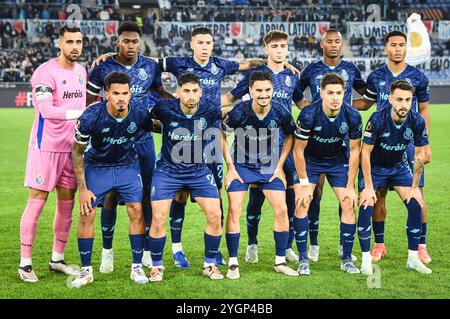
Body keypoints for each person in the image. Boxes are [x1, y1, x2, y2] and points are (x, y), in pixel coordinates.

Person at [86, 21, 173, 273]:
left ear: (140, 42)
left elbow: (160, 92)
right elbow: (90, 100)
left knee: (145, 193)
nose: (131, 45)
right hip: (112, 139)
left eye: (135, 41)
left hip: (142, 138)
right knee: (110, 196)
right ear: (118, 42)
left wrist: (178, 106)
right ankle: (107, 252)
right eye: (126, 41)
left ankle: (145, 250)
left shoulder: (149, 65)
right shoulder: (102, 66)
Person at [221, 30, 303, 264]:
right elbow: (231, 98)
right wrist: (207, 107)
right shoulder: (256, 75)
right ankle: (252, 244)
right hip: (255, 146)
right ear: (266, 48)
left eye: (283, 46)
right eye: (274, 46)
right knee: (255, 199)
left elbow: (301, 103)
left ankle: (286, 248)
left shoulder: (291, 75)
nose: (279, 50)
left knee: (290, 196)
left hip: (283, 144)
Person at [353, 30, 432, 264]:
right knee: (378, 195)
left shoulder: (418, 76)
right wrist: (340, 101)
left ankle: (421, 246)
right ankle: (379, 245)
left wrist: (424, 143)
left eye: (402, 45)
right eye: (393, 45)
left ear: (407, 48)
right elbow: (366, 103)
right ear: (386, 48)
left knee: (417, 195)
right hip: (381, 142)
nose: (398, 49)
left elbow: (424, 109)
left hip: (408, 143)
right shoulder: (376, 76)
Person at [71, 72, 152, 288]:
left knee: (136, 211)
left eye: (125, 93)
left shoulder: (139, 114)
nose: (121, 98)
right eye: (116, 93)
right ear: (106, 94)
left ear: (130, 93)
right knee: (87, 214)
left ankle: (136, 267)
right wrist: (82, 189)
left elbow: (159, 126)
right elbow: (77, 153)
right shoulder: (91, 116)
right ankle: (86, 270)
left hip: (127, 166)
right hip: (98, 168)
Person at [18, 25, 86, 283]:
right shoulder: (44, 72)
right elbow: (46, 110)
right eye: (70, 41)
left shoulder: (81, 71)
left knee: (66, 205)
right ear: (60, 44)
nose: (75, 46)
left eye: (79, 41)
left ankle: (57, 258)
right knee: (36, 202)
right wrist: (80, 114)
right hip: (45, 147)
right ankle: (25, 264)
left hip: (72, 149)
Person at [294, 28, 367, 262]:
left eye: (338, 41)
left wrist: (354, 107)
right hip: (315, 138)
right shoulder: (312, 69)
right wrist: (307, 105)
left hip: (341, 144)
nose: (334, 45)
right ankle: (312, 245)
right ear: (322, 45)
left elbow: (367, 95)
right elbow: (294, 91)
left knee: (345, 195)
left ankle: (342, 247)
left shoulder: (351, 69)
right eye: (329, 41)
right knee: (314, 194)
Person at [147, 73, 224, 282]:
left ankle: (209, 265)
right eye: (186, 91)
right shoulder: (164, 108)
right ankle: (157, 267)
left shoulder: (209, 109)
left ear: (200, 93)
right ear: (178, 92)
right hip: (167, 171)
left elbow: (225, 124)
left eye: (195, 91)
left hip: (198, 171)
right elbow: (148, 120)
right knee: (159, 218)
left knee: (215, 215)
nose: (191, 95)